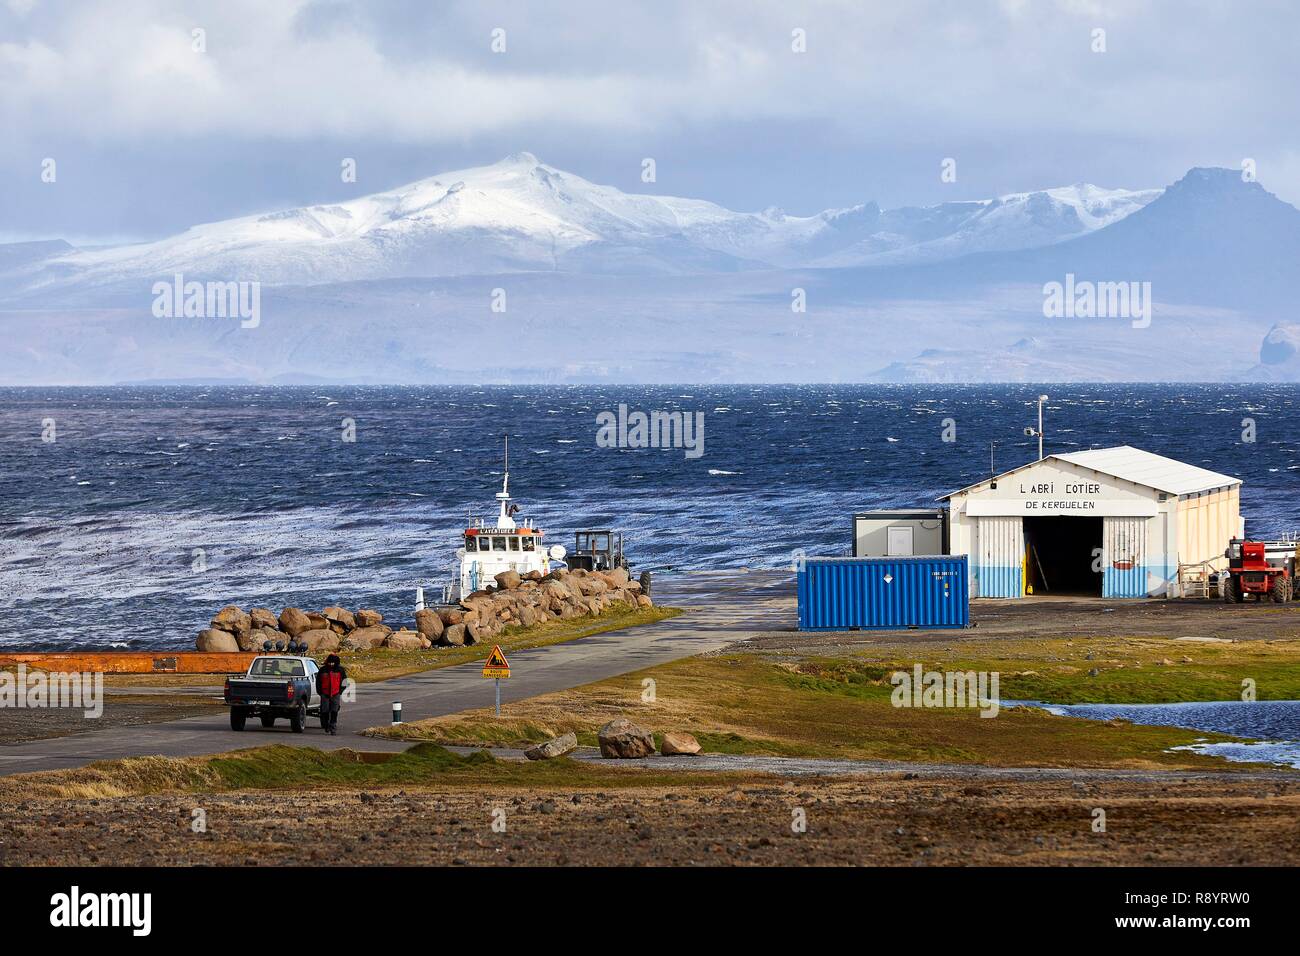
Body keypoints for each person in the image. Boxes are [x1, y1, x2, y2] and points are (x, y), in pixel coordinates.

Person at [315, 654, 348, 735]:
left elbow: (345, 681)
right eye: (330, 662)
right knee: (324, 710)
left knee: (334, 710)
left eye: (333, 663)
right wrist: (320, 692)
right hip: (324, 693)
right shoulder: (323, 670)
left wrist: (340, 691)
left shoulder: (340, 670)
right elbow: (318, 682)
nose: (331, 664)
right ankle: (326, 725)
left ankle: (333, 726)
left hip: (336, 693)